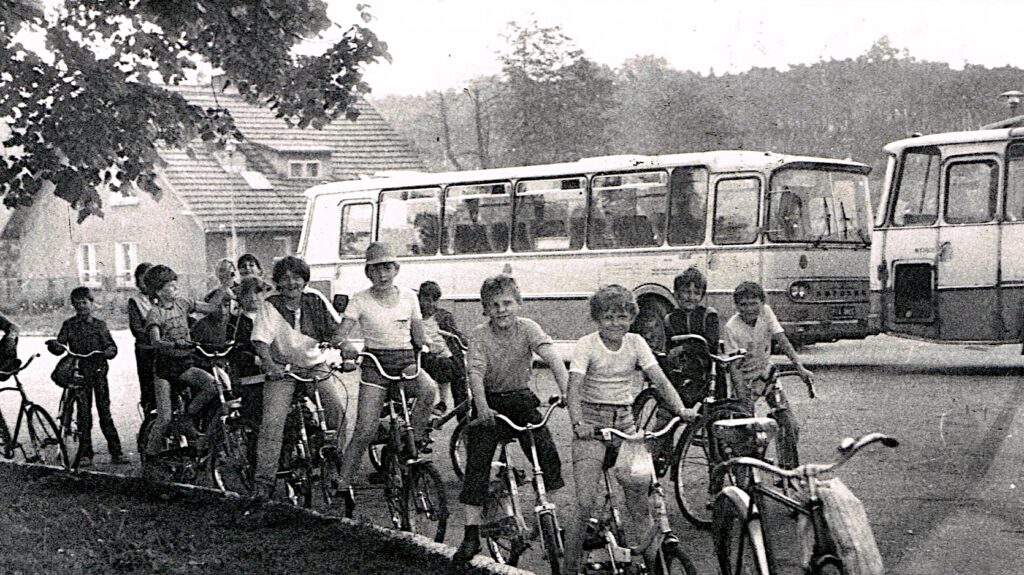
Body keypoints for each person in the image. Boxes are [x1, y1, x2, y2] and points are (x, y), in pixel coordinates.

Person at [564, 285, 695, 575]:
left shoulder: (636, 342)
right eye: (608, 317)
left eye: (622, 317)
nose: (616, 323)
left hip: (625, 422)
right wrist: (578, 424)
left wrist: (681, 409)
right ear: (597, 319)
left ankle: (656, 566)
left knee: (640, 501)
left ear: (632, 318)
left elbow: (660, 380)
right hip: (592, 422)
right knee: (585, 503)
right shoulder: (587, 345)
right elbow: (573, 388)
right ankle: (568, 569)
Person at [451, 274, 570, 564]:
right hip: (490, 401)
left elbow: (553, 358)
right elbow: (475, 373)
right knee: (478, 464)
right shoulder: (480, 335)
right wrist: (482, 408)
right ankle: (471, 534)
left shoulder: (528, 328)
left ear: (518, 303)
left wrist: (567, 391)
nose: (501, 310)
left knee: (546, 453)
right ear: (485, 309)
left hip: (521, 398)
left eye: (507, 303)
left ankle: (549, 516)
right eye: (494, 305)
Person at [334, 242, 439, 515]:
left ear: (396, 269)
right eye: (375, 269)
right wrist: (344, 345)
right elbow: (341, 333)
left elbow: (418, 335)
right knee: (365, 429)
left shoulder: (409, 297)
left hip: (405, 361)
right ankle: (342, 483)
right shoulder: (360, 299)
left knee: (428, 389)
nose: (382, 274)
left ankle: (410, 444)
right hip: (375, 364)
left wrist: (430, 344)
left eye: (387, 268)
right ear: (368, 272)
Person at [250, 256, 348, 500]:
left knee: (335, 410)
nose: (291, 283)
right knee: (273, 422)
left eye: (297, 277)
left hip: (314, 365)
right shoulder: (270, 304)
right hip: (283, 369)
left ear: (305, 280)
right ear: (278, 282)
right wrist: (270, 365)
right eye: (285, 278)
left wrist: (346, 350)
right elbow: (260, 341)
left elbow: (336, 331)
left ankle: (333, 466)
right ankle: (263, 482)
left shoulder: (315, 299)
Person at [722, 281, 814, 469]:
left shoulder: (766, 312)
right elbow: (734, 368)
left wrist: (800, 368)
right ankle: (744, 474)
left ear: (762, 302)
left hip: (767, 374)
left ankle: (787, 471)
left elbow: (782, 340)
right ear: (736, 306)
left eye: (753, 303)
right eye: (743, 305)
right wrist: (742, 399)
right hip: (745, 380)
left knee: (789, 424)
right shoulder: (731, 328)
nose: (749, 309)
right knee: (745, 432)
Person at [142, 264, 227, 459]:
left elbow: (210, 308)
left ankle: (187, 417)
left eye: (175, 284)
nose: (175, 288)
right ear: (158, 291)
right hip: (164, 369)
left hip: (184, 364)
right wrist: (173, 344)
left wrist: (223, 289)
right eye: (170, 286)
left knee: (213, 386)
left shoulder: (182, 303)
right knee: (164, 417)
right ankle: (151, 454)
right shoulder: (155, 313)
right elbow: (155, 342)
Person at [648, 267, 722, 474]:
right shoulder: (670, 319)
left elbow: (711, 345)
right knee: (666, 416)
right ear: (676, 293)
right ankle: (656, 460)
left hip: (708, 375)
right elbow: (668, 348)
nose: (691, 297)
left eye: (696, 293)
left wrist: (684, 348)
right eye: (685, 292)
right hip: (682, 376)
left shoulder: (708, 315)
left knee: (715, 423)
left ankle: (718, 468)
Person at [47, 287, 125, 466]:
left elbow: (110, 345)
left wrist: (108, 351)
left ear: (91, 303)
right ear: (73, 305)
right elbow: (61, 344)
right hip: (79, 372)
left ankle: (116, 451)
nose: (81, 306)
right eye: (77, 303)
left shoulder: (99, 325)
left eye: (84, 302)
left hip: (98, 372)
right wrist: (56, 346)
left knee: (104, 412)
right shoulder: (69, 325)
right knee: (83, 414)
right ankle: (85, 453)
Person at [417, 280, 468, 415]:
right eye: (426, 300)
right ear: (419, 298)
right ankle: (442, 402)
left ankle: (462, 415)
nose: (431, 304)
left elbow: (456, 335)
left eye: (434, 300)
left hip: (448, 354)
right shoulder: (415, 317)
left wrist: (469, 344)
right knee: (443, 365)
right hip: (426, 355)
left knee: (459, 373)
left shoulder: (444, 316)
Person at [228, 276, 269, 426]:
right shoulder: (238, 323)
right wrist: (255, 359)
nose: (253, 297)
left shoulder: (270, 318)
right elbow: (236, 351)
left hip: (276, 374)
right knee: (255, 416)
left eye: (257, 292)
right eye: (247, 293)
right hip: (251, 378)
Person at [128, 263, 156, 412]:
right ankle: (149, 416)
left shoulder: (162, 297)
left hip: (165, 348)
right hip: (146, 350)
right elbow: (137, 329)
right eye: (142, 279)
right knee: (148, 386)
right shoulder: (136, 301)